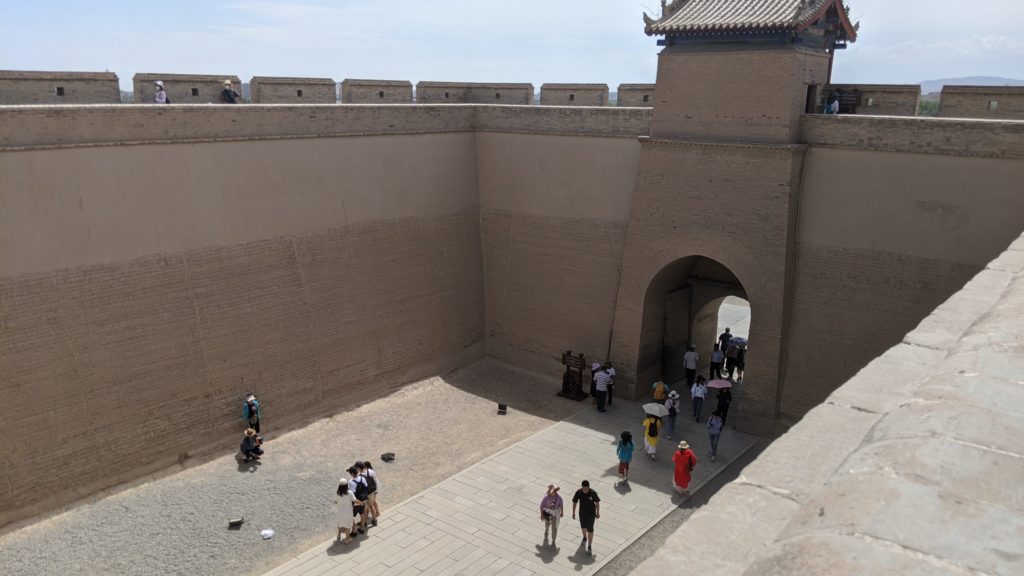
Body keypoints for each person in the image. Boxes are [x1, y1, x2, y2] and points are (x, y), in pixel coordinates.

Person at [571, 480, 600, 554]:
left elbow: (597, 502)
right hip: (582, 513)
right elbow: (574, 502)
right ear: (582, 487)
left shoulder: (593, 493)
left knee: (590, 529)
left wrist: (597, 513)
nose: (585, 491)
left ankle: (589, 545)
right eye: (584, 489)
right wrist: (573, 513)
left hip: (591, 514)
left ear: (589, 487)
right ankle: (584, 537)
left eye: (587, 489)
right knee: (583, 526)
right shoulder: (579, 492)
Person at [347, 466, 370, 535]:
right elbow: (367, 488)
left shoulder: (351, 482)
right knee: (362, 514)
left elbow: (352, 495)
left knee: (350, 516)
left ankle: (354, 531)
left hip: (356, 502)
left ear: (352, 474)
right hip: (363, 500)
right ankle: (362, 528)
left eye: (350, 473)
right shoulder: (362, 478)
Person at [357, 461, 380, 526]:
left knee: (364, 508)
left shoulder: (359, 476)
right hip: (372, 492)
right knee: (371, 506)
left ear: (359, 468)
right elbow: (375, 480)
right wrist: (375, 490)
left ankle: (364, 522)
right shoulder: (370, 471)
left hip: (365, 494)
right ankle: (374, 520)